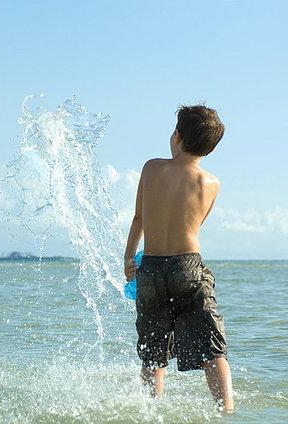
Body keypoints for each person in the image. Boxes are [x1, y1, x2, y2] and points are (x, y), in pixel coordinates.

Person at [123, 105, 234, 412]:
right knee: (212, 348)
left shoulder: (151, 168)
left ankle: (151, 409)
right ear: (211, 148)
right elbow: (196, 224)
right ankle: (226, 410)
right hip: (188, 266)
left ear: (177, 136)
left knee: (153, 349)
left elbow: (139, 218)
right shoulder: (211, 184)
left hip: (151, 269)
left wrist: (128, 258)